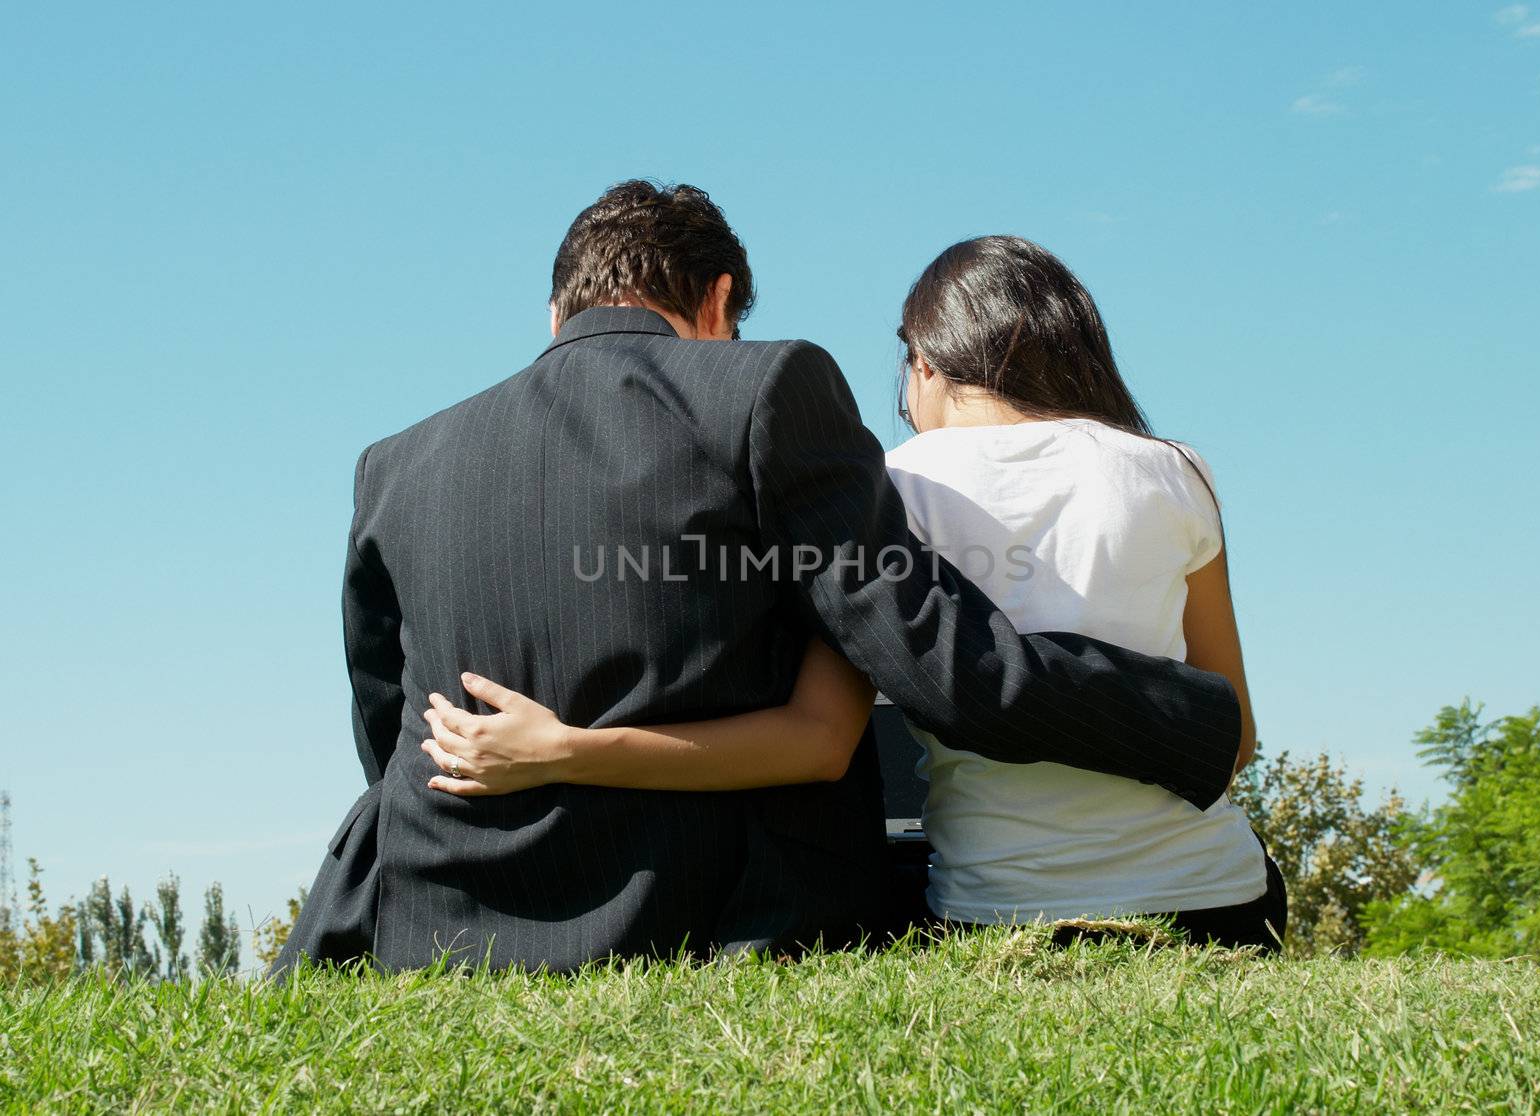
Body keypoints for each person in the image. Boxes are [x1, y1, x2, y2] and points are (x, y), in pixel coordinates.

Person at [276, 185, 1243, 976]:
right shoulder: (764, 389)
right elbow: (937, 663)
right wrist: (1194, 723)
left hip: (448, 935)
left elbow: (386, 721)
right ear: (718, 301)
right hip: (716, 928)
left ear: (555, 310)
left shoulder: (395, 463)